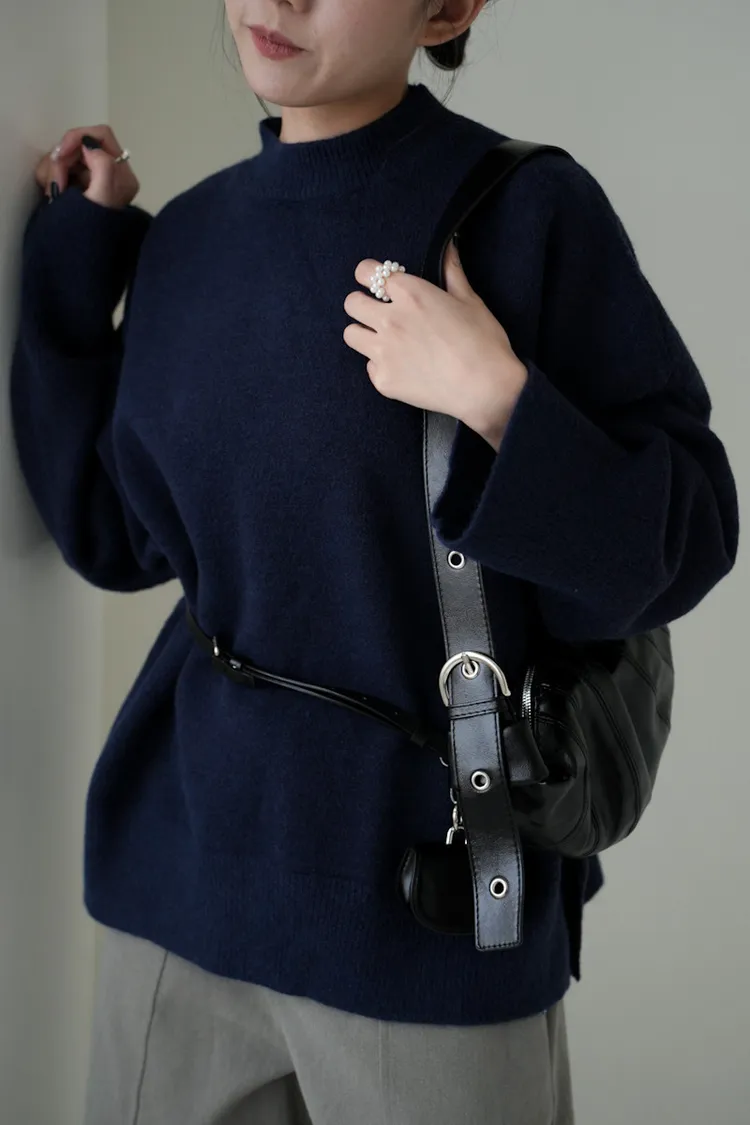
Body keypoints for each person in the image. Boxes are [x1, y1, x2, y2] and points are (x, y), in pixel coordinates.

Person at [12, 1, 739, 1122]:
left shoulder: (527, 213)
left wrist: (499, 401)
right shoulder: (191, 240)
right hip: (180, 890)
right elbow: (113, 531)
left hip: (425, 915)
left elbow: (686, 538)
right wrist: (76, 255)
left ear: (444, 8)